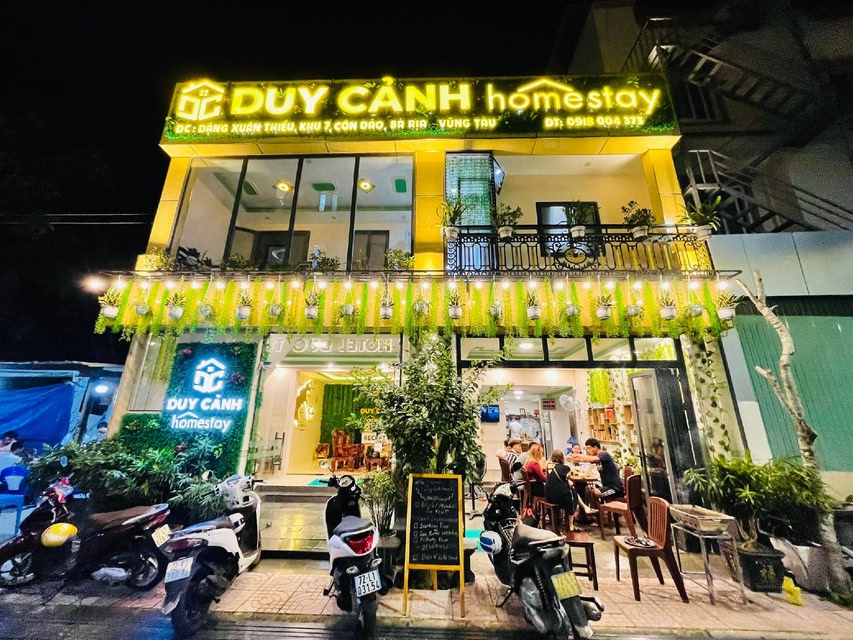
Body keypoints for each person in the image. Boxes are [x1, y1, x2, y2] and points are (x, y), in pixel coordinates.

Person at [570, 437, 624, 502]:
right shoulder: (597, 458)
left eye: (589, 448)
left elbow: (592, 459)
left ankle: (599, 508)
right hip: (606, 487)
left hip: (615, 488)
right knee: (587, 490)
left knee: (595, 492)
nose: (588, 451)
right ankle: (592, 507)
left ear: (595, 447)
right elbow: (585, 460)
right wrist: (571, 458)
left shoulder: (603, 454)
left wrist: (577, 455)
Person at [545, 449, 581, 532]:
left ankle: (585, 508)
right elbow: (571, 479)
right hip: (559, 498)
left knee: (571, 492)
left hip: (548, 496)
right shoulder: (565, 468)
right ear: (562, 457)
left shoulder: (548, 466)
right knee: (573, 495)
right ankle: (571, 525)